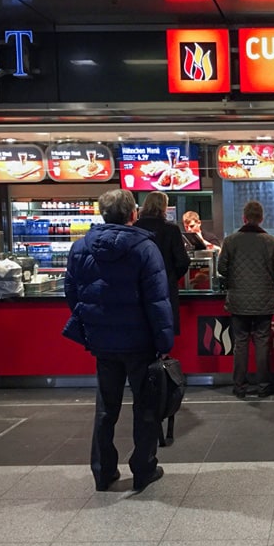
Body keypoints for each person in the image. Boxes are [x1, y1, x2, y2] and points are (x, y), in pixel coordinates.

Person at [63, 189, 173, 493]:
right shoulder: (144, 248)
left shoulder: (80, 248)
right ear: (132, 214)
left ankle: (103, 471)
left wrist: (91, 324)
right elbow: (157, 301)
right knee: (146, 407)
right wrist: (164, 341)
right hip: (140, 343)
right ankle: (143, 468)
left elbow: (72, 293)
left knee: (105, 409)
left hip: (103, 342)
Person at [217, 200, 274, 399]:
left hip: (238, 300)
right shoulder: (272, 241)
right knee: (262, 343)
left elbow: (222, 269)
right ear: (261, 219)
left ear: (244, 218)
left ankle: (240, 387)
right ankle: (264, 386)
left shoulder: (230, 241)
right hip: (264, 300)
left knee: (240, 344)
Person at [135, 192, 190, 334]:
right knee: (164, 328)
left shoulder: (134, 228)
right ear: (164, 207)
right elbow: (182, 261)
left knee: (142, 328)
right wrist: (171, 276)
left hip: (139, 287)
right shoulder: (171, 229)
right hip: (165, 288)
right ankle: (164, 355)